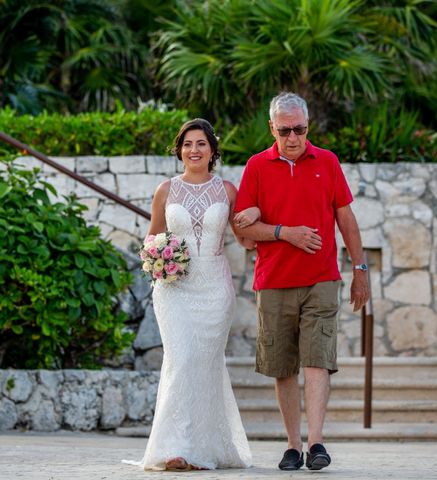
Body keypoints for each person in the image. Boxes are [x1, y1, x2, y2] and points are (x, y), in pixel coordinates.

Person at [233, 92, 370, 471]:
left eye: (300, 129)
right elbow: (243, 226)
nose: (293, 138)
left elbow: (346, 220)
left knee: (317, 361)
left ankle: (316, 443)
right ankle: (292, 445)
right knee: (282, 366)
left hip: (322, 279)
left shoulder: (326, 161)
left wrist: (360, 271)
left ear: (308, 126)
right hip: (274, 281)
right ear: (271, 128)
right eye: (285, 130)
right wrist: (284, 232)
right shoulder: (257, 166)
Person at [138, 118, 252, 471]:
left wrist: (261, 217)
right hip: (174, 289)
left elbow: (245, 238)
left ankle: (202, 448)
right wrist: (160, 260)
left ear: (212, 150)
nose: (194, 150)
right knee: (182, 359)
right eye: (188, 144)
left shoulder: (228, 191)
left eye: (201, 143)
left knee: (204, 363)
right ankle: (174, 448)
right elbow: (152, 239)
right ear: (179, 149)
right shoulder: (166, 191)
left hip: (215, 289)